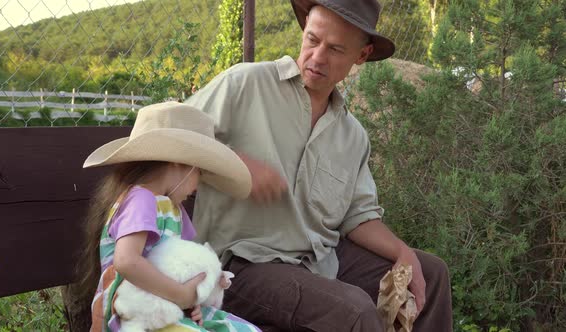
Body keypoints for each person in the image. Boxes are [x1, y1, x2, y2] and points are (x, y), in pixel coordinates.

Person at [184, 0, 453, 331]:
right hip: (240, 266)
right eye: (312, 40)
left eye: (336, 49)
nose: (317, 57)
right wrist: (233, 163)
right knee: (353, 312)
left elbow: (359, 217)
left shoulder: (352, 135)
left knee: (431, 271)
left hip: (319, 262)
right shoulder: (245, 84)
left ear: (362, 55)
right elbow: (168, 133)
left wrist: (403, 252)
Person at [78, 102, 260, 332]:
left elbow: (181, 265)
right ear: (180, 160)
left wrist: (194, 299)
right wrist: (182, 295)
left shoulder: (173, 209)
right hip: (131, 315)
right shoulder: (141, 199)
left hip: (166, 307)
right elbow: (127, 261)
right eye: (200, 173)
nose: (198, 185)